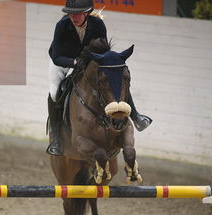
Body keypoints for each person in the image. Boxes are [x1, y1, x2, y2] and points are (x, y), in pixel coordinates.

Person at [47, 0, 152, 156]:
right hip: (63, 62)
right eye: (70, 13)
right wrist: (74, 62)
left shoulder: (98, 25)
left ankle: (136, 116)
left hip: (89, 62)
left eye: (76, 13)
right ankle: (55, 138)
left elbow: (103, 49)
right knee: (55, 93)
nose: (72, 17)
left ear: (86, 13)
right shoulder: (62, 26)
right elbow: (56, 56)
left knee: (113, 80)